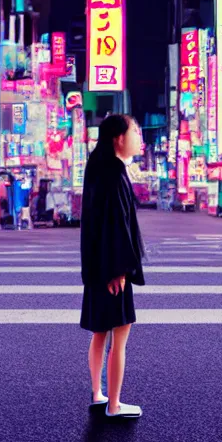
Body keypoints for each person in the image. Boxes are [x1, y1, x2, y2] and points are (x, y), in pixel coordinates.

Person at [79, 114, 146, 419]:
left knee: (99, 333)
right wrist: (118, 269)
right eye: (135, 131)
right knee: (119, 336)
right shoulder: (113, 173)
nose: (139, 136)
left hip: (97, 267)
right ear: (119, 138)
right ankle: (115, 405)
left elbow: (99, 225)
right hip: (112, 270)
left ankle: (97, 393)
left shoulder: (98, 167)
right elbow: (116, 225)